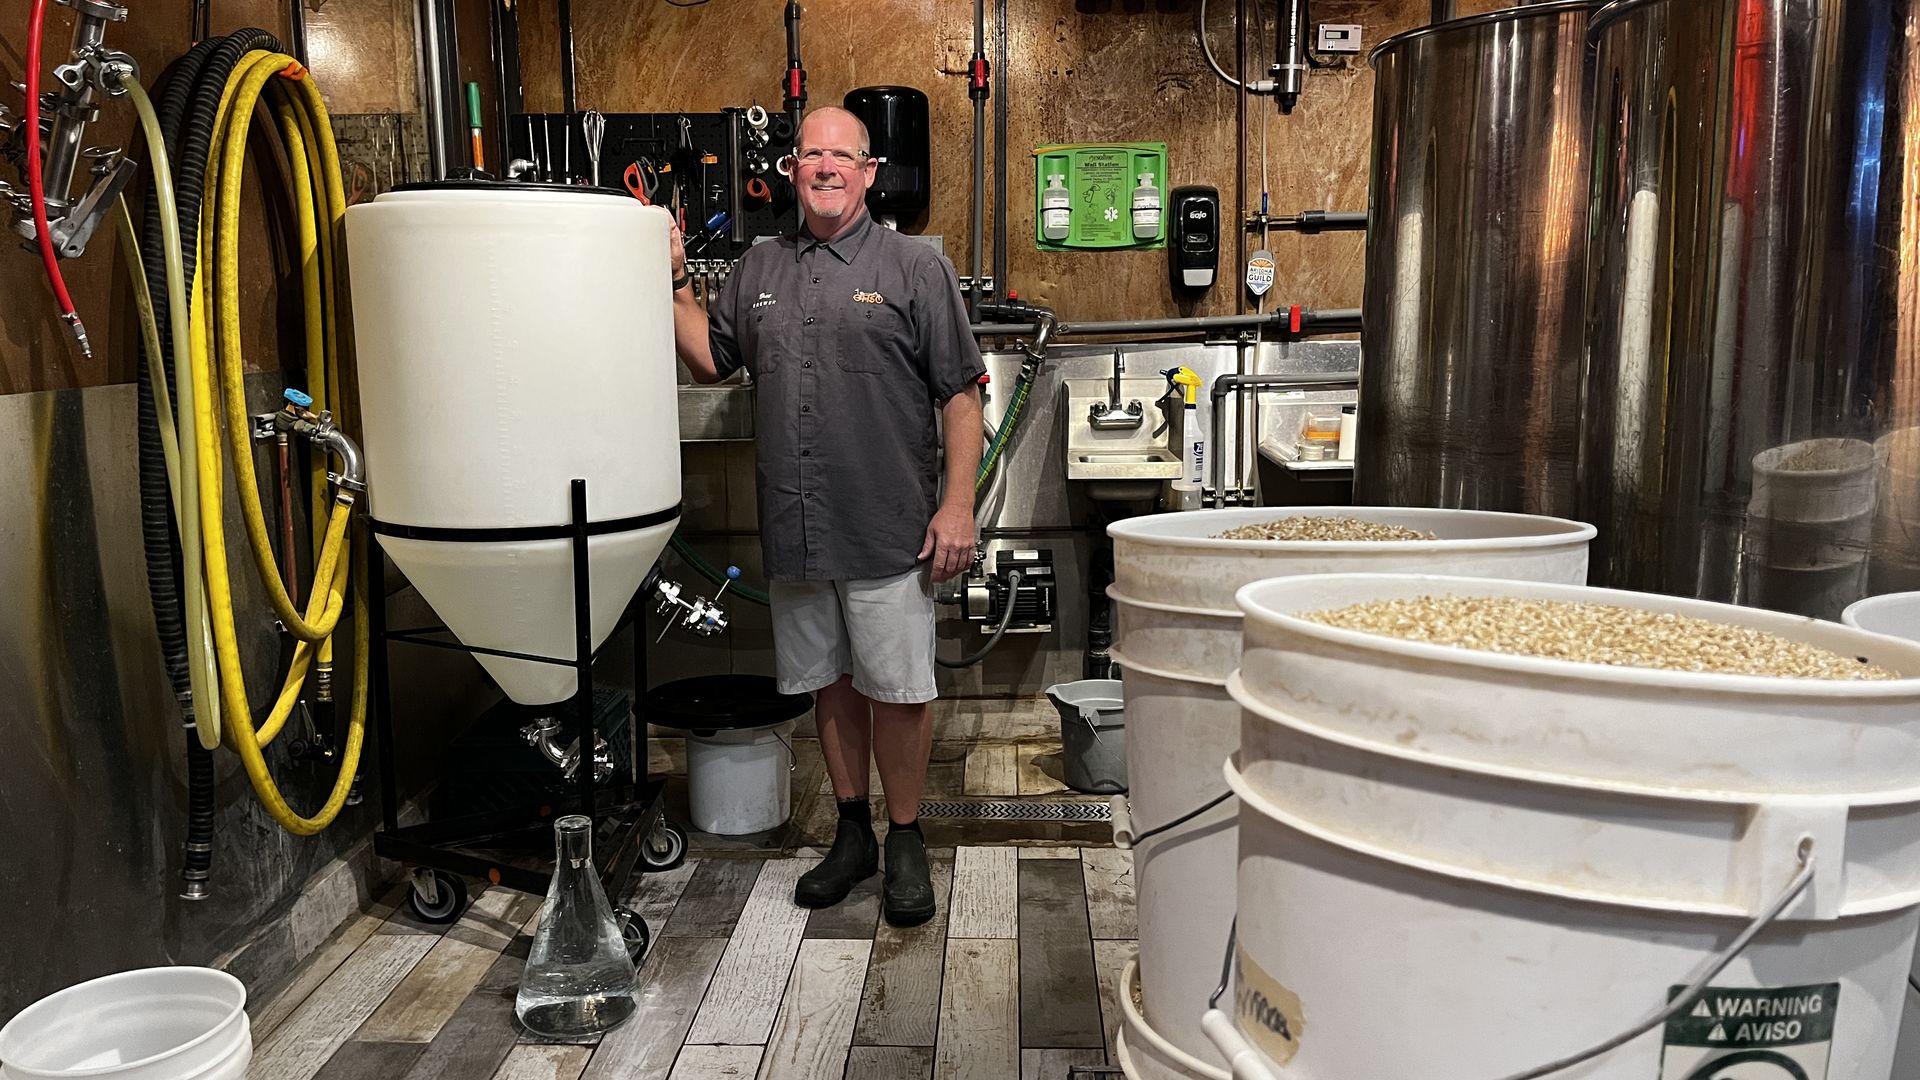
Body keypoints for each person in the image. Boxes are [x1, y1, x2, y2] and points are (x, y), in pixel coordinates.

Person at [668, 106, 985, 925]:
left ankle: (905, 835)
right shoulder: (758, 266)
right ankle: (852, 832)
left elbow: (960, 391)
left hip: (890, 525)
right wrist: (670, 281)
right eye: (812, 154)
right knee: (830, 687)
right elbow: (712, 364)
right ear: (793, 169)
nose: (826, 167)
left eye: (843, 155)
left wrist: (957, 506)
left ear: (869, 172)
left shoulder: (914, 267)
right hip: (797, 525)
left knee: (899, 688)